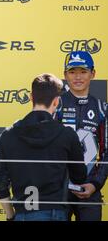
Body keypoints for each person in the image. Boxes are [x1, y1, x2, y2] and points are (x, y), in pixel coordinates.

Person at [0, 73, 86, 221]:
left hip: (22, 213)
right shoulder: (67, 135)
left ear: (31, 97)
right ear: (56, 102)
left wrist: (10, 215)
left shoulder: (8, 135)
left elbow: (0, 181)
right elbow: (80, 176)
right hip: (55, 213)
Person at [55, 51, 107, 221]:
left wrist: (95, 184)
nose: (78, 77)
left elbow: (106, 152)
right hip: (58, 189)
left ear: (93, 74)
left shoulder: (102, 108)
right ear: (65, 75)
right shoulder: (56, 105)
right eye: (72, 72)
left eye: (83, 71)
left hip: (89, 188)